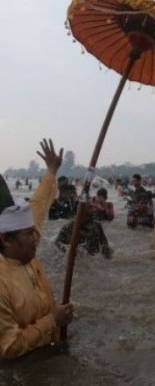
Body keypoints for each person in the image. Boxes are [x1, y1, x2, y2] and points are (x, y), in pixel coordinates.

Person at [0, 139, 74, 359]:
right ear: (5, 239)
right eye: (29, 234)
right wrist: (52, 321)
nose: (37, 238)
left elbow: (40, 204)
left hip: (51, 349)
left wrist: (52, 170)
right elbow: (7, 349)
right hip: (26, 367)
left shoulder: (22, 244)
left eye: (34, 231)